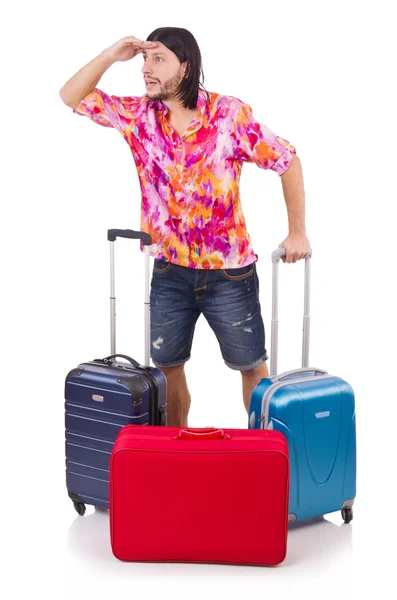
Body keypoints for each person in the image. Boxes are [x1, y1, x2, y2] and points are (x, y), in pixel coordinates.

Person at [59, 27, 311, 427]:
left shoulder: (228, 115)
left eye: (157, 59)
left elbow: (287, 160)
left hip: (229, 273)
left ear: (186, 66)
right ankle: (176, 456)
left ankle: (264, 456)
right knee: (168, 368)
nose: (145, 69)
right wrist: (110, 54)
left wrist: (297, 230)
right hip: (168, 271)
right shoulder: (139, 115)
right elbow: (70, 96)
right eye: (144, 59)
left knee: (251, 367)